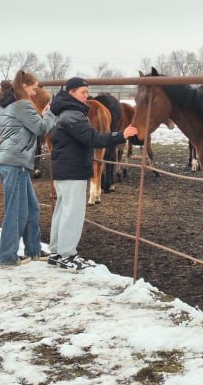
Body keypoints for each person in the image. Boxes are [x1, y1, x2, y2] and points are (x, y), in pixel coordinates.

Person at [48, 77, 137, 270]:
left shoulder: (60, 112)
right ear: (71, 92)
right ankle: (68, 255)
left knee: (62, 210)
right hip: (74, 169)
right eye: (83, 93)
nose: (86, 96)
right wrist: (121, 135)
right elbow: (92, 138)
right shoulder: (73, 114)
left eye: (87, 93)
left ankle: (56, 252)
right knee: (73, 213)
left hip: (63, 168)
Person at [0, 70, 56, 268]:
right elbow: (40, 128)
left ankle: (33, 249)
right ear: (24, 86)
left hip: (15, 161)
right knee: (15, 210)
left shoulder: (10, 103)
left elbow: (30, 123)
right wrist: (50, 113)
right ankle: (8, 256)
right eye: (33, 88)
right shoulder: (22, 104)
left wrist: (41, 115)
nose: (35, 91)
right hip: (15, 162)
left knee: (31, 206)